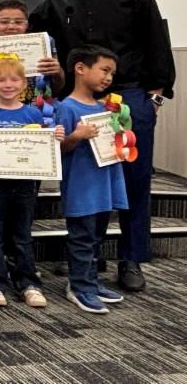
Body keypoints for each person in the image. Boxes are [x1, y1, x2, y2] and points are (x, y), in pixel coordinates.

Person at [30, 0, 175, 293]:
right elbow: (26, 43)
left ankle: (131, 259)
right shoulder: (53, 4)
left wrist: (154, 99)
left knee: (135, 181)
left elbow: (158, 47)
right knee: (84, 181)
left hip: (128, 98)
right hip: (77, 101)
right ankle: (87, 257)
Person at [0, 56, 60, 309]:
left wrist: (54, 137)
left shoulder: (33, 113)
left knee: (22, 234)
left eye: (14, 79)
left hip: (26, 184)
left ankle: (28, 282)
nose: (8, 84)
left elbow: (42, 149)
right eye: (1, 80)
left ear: (23, 83)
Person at [56, 45, 129, 314]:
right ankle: (79, 286)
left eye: (112, 74)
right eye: (104, 70)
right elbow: (58, 148)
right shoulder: (66, 107)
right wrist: (77, 135)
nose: (108, 78)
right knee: (82, 238)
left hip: (105, 185)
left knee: (97, 237)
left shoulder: (106, 108)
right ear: (80, 68)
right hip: (81, 187)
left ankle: (90, 281)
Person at [0, 0, 64, 109]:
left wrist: (58, 73)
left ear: (26, 25)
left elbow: (56, 91)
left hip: (36, 116)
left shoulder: (41, 48)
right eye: (4, 22)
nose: (11, 27)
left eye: (18, 22)